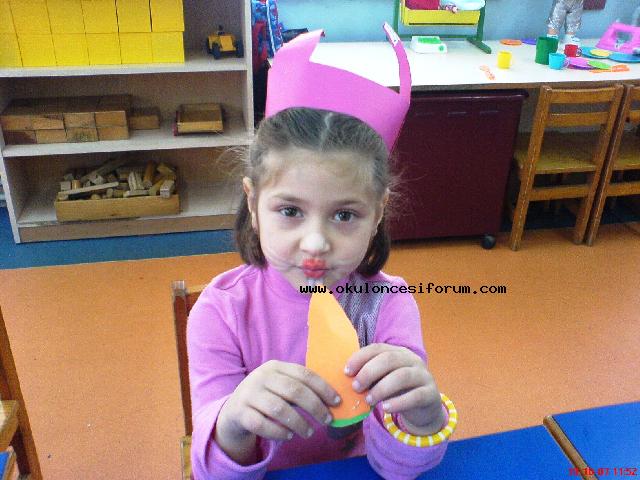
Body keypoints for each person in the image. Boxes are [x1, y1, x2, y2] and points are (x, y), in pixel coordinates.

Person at [187, 23, 455, 480]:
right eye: (290, 210)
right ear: (253, 203)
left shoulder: (386, 306)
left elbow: (398, 469)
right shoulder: (221, 312)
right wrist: (233, 421)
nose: (315, 243)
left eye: (344, 215)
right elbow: (215, 473)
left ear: (377, 214)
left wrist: (425, 416)